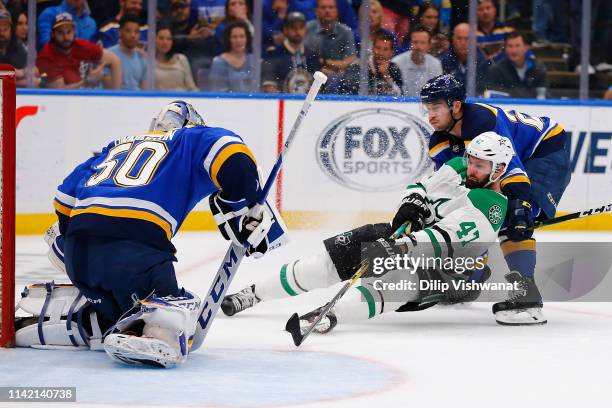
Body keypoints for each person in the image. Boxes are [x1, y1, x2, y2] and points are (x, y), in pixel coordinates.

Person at [14, 101, 287, 368]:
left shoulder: (115, 146)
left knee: (120, 305)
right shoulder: (189, 138)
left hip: (79, 255)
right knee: (180, 309)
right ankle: (148, 330)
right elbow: (232, 154)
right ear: (191, 125)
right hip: (135, 253)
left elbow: (63, 200)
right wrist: (246, 202)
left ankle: (89, 320)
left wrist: (81, 250)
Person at [222, 132, 513, 333]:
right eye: (472, 160)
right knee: (327, 263)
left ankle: (331, 314)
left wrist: (403, 246)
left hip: (442, 265)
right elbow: (421, 189)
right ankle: (254, 293)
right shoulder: (458, 167)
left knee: (398, 282)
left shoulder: (491, 206)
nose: (472, 168)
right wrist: (410, 205)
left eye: (480, 165)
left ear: (498, 169)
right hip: (403, 237)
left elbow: (445, 241)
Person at [418, 74, 572, 325]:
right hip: (519, 160)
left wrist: (520, 205)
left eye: (436, 107)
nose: (431, 115)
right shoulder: (439, 141)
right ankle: (473, 274)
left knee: (512, 217)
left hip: (544, 150)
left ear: (456, 106)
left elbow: (512, 167)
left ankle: (527, 298)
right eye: (428, 108)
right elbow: (454, 187)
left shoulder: (481, 120)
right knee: (478, 209)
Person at [36, 12, 121, 89]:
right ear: (52, 34)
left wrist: (116, 97)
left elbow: (115, 61)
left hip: (86, 100)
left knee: (106, 77)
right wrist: (87, 82)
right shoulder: (46, 57)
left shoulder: (82, 46)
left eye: (69, 32)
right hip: (58, 104)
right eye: (60, 33)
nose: (65, 37)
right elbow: (60, 92)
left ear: (74, 32)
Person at [262, 11, 320, 93]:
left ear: (305, 29)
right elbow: (269, 87)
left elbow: (318, 87)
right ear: (285, 30)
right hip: (282, 103)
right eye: (293, 28)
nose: (297, 32)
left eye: (301, 27)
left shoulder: (312, 56)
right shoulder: (274, 55)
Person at [304, 0, 357, 87]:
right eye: (323, 7)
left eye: (331, 7)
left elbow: (349, 61)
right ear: (316, 11)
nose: (327, 10)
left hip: (337, 75)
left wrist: (325, 62)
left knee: (336, 78)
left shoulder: (346, 32)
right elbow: (302, 55)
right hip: (310, 72)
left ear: (337, 11)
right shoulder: (307, 29)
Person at [486, 31, 548, 99]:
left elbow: (543, 94)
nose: (513, 50)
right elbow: (494, 96)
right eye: (510, 46)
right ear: (505, 48)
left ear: (526, 48)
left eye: (517, 46)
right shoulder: (496, 70)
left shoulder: (538, 68)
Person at [340, 30, 402, 96]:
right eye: (378, 48)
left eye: (385, 49)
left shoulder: (394, 68)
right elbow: (348, 93)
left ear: (392, 52)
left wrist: (386, 76)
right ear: (372, 48)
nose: (381, 53)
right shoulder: (358, 66)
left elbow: (399, 96)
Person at [391, 25, 442, 96]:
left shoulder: (436, 64)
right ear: (410, 43)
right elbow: (393, 93)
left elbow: (438, 92)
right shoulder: (397, 62)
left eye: (423, 43)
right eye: (415, 42)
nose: (419, 46)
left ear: (429, 45)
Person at [440, 22, 488, 96]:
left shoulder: (482, 62)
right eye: (459, 38)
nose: (463, 43)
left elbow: (484, 91)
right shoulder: (443, 61)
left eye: (467, 38)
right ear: (453, 39)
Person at [209, 20, 255, 92]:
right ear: (228, 39)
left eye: (242, 36)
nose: (238, 40)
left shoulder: (254, 60)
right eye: (234, 37)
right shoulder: (219, 62)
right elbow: (217, 91)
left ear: (247, 39)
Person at [108, 14, 147, 90]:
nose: (133, 35)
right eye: (128, 31)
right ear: (119, 32)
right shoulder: (109, 55)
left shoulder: (143, 58)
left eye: (136, 32)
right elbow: (108, 89)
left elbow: (145, 91)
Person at [155, 25, 198, 91]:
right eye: (161, 38)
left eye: (169, 39)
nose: (165, 42)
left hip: (182, 99)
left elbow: (191, 87)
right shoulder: (148, 62)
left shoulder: (181, 59)